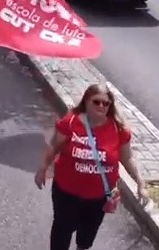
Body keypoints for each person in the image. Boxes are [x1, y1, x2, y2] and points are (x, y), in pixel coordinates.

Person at [34, 83, 149, 250]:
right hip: (66, 192)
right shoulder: (71, 121)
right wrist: (42, 168)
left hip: (98, 197)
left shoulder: (119, 129)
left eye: (106, 103)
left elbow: (127, 157)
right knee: (62, 229)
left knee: (87, 234)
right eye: (96, 101)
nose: (101, 106)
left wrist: (140, 182)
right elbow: (54, 147)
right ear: (86, 101)